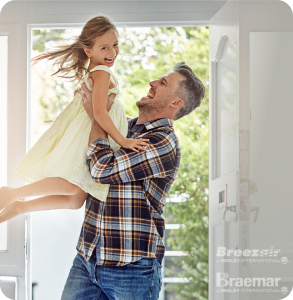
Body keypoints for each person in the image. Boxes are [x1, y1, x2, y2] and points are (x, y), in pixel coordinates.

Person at [59, 61, 205, 299]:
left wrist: (98, 115)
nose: (152, 82)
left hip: (132, 267)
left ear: (175, 103)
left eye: (163, 83)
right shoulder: (124, 128)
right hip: (87, 258)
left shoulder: (162, 142)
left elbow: (102, 170)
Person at [0, 15, 148, 223]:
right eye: (104, 47)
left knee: (76, 199)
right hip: (86, 133)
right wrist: (124, 141)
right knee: (71, 185)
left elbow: (106, 108)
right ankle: (12, 194)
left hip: (88, 128)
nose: (112, 52)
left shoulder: (96, 70)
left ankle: (19, 206)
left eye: (115, 45)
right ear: (89, 51)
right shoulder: (102, 72)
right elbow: (99, 113)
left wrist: (123, 119)